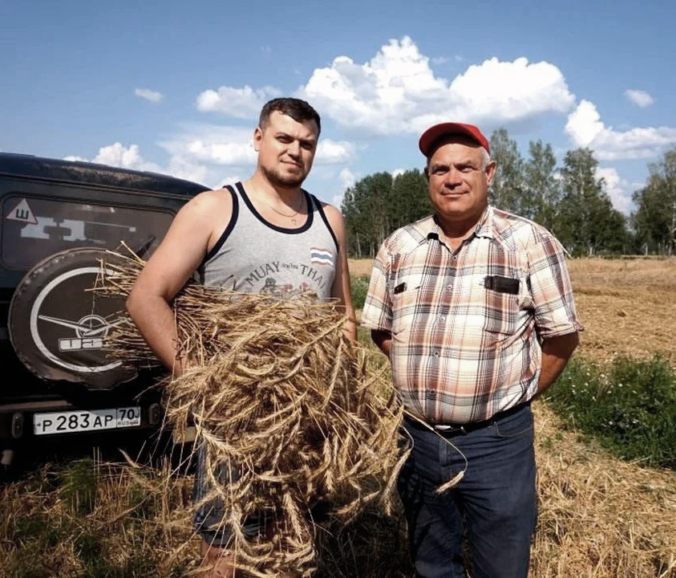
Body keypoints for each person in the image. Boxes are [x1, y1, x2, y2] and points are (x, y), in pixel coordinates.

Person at [125, 97, 356, 578]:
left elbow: (343, 316)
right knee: (225, 551)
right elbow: (146, 297)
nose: (295, 151)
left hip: (305, 422)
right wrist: (207, 384)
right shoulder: (214, 209)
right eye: (284, 138)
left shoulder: (330, 220)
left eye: (307, 144)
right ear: (258, 138)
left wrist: (342, 397)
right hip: (236, 426)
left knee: (292, 544)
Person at [360, 122, 582, 578]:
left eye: (465, 167)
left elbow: (561, 337)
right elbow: (381, 330)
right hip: (418, 439)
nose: (452, 178)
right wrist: (426, 377)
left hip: (497, 444)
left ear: (490, 172)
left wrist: (513, 396)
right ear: (428, 178)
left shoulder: (528, 243)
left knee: (500, 565)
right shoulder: (399, 246)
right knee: (432, 563)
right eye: (440, 169)